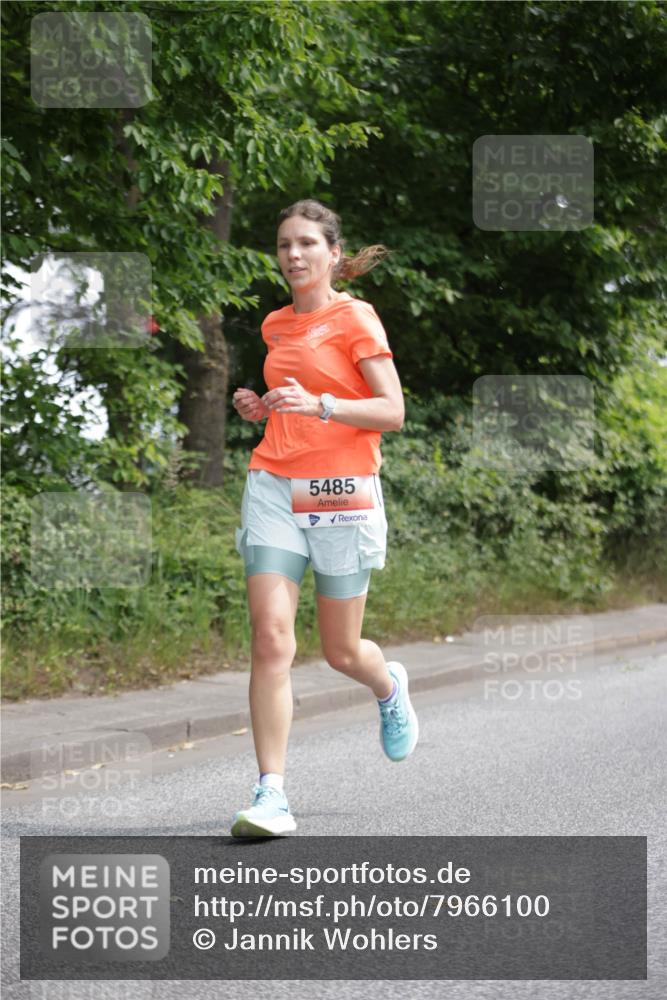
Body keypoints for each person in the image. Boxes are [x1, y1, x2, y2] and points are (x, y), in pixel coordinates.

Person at [230, 198, 418, 838]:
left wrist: (321, 404)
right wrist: (262, 408)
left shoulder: (355, 317)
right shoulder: (274, 325)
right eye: (285, 244)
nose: (293, 254)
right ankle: (271, 792)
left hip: (340, 490)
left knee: (340, 650)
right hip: (274, 483)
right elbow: (292, 403)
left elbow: (392, 412)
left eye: (307, 243)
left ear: (334, 254)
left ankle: (388, 685)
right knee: (271, 636)